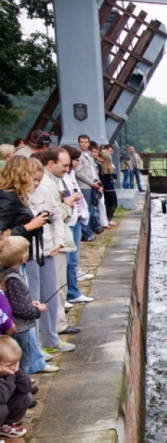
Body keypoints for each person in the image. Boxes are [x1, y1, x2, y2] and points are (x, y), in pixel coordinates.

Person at [26, 155, 75, 354]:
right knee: (33, 298)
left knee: (51, 295)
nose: (37, 184)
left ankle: (51, 338)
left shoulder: (45, 192)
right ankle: (36, 348)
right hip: (28, 253)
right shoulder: (17, 196)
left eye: (39, 180)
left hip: (47, 249)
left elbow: (56, 218)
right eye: (34, 180)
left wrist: (59, 241)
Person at [0, 236, 47, 374]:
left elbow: (14, 301)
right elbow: (20, 309)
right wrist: (37, 310)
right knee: (22, 362)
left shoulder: (8, 274)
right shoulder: (13, 280)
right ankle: (20, 383)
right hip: (19, 328)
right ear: (23, 258)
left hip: (18, 325)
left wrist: (29, 303)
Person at [59, 146, 93, 305]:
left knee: (73, 261)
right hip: (69, 222)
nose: (77, 163)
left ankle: (73, 292)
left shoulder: (70, 176)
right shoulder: (61, 178)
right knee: (66, 261)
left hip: (76, 219)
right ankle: (65, 294)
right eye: (76, 160)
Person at [0, 335, 32, 438]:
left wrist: (17, 372)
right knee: (1, 409)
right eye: (10, 365)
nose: (14, 367)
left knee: (25, 397)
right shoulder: (10, 373)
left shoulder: (12, 368)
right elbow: (2, 397)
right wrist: (11, 376)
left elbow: (26, 387)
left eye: (16, 362)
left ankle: (4, 425)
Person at [76, 135, 102, 240]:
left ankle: (90, 232)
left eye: (86, 142)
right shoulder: (78, 156)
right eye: (82, 142)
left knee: (92, 209)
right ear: (78, 143)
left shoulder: (89, 155)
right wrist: (91, 183)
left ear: (89, 143)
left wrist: (98, 183)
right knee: (86, 211)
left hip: (93, 186)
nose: (84, 144)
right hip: (85, 186)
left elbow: (94, 171)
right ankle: (87, 234)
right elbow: (79, 173)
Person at [99, 145, 118, 226]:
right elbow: (114, 176)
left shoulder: (102, 168)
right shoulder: (107, 168)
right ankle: (109, 218)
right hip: (109, 187)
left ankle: (108, 218)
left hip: (105, 187)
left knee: (107, 203)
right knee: (113, 203)